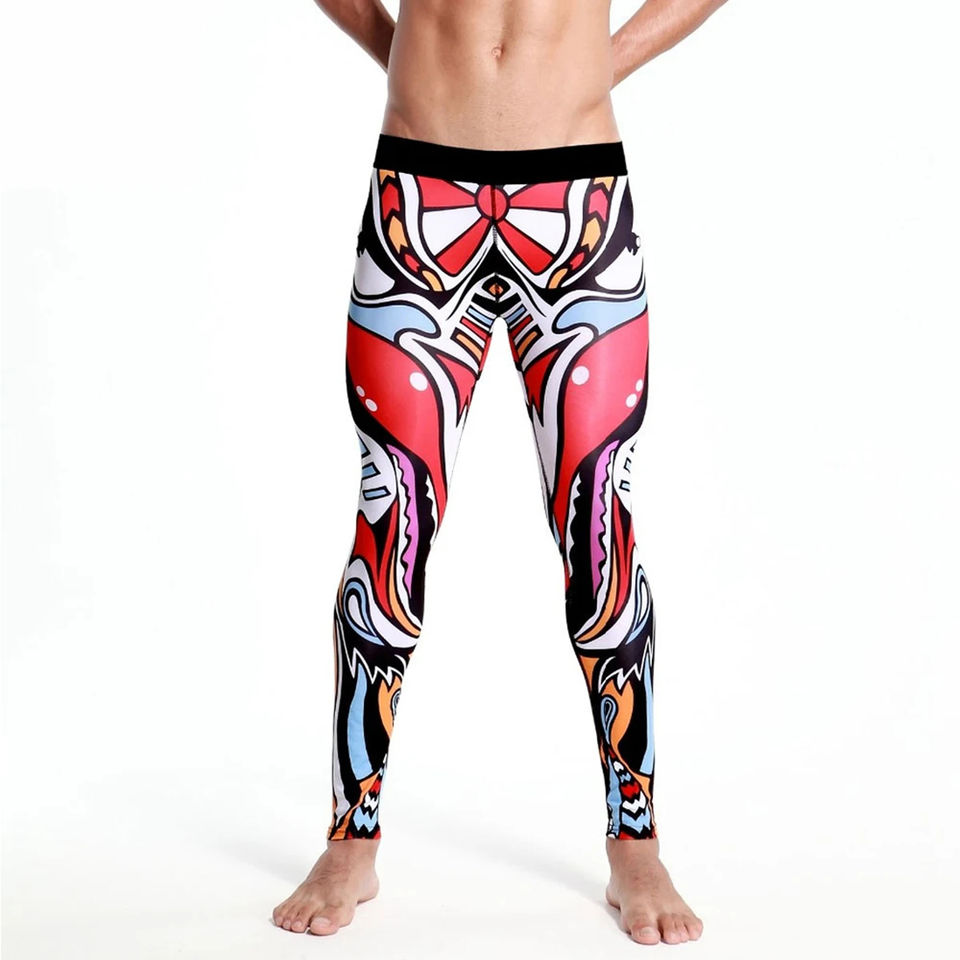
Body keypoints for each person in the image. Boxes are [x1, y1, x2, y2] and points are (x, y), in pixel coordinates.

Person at [272, 0, 727, 945]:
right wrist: (401, 51)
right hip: (417, 196)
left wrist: (604, 62)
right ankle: (351, 841)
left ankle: (635, 844)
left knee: (600, 530)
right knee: (391, 521)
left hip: (578, 206)